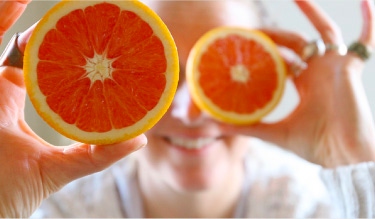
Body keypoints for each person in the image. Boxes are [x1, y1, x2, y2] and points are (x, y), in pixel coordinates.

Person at [0, 0, 375, 217]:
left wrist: (349, 157)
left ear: (265, 69)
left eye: (217, 72)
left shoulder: (321, 206)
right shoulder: (59, 212)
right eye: (158, 78)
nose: (190, 112)